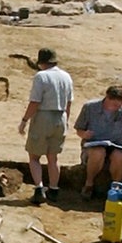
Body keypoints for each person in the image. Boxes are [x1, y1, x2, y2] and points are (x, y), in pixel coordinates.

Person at [18, 47, 74, 204]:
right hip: (61, 116)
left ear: (41, 62)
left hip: (44, 116)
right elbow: (69, 102)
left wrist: (24, 120)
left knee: (34, 156)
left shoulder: (41, 77)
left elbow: (35, 102)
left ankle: (38, 189)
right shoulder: (66, 76)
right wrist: (66, 121)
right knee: (53, 157)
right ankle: (54, 189)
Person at [74, 85, 122, 200]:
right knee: (99, 152)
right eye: (114, 104)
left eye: (119, 105)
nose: (116, 108)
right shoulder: (90, 107)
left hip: (116, 145)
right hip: (94, 145)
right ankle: (89, 184)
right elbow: (79, 129)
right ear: (107, 98)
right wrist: (84, 134)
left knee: (118, 156)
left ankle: (115, 188)